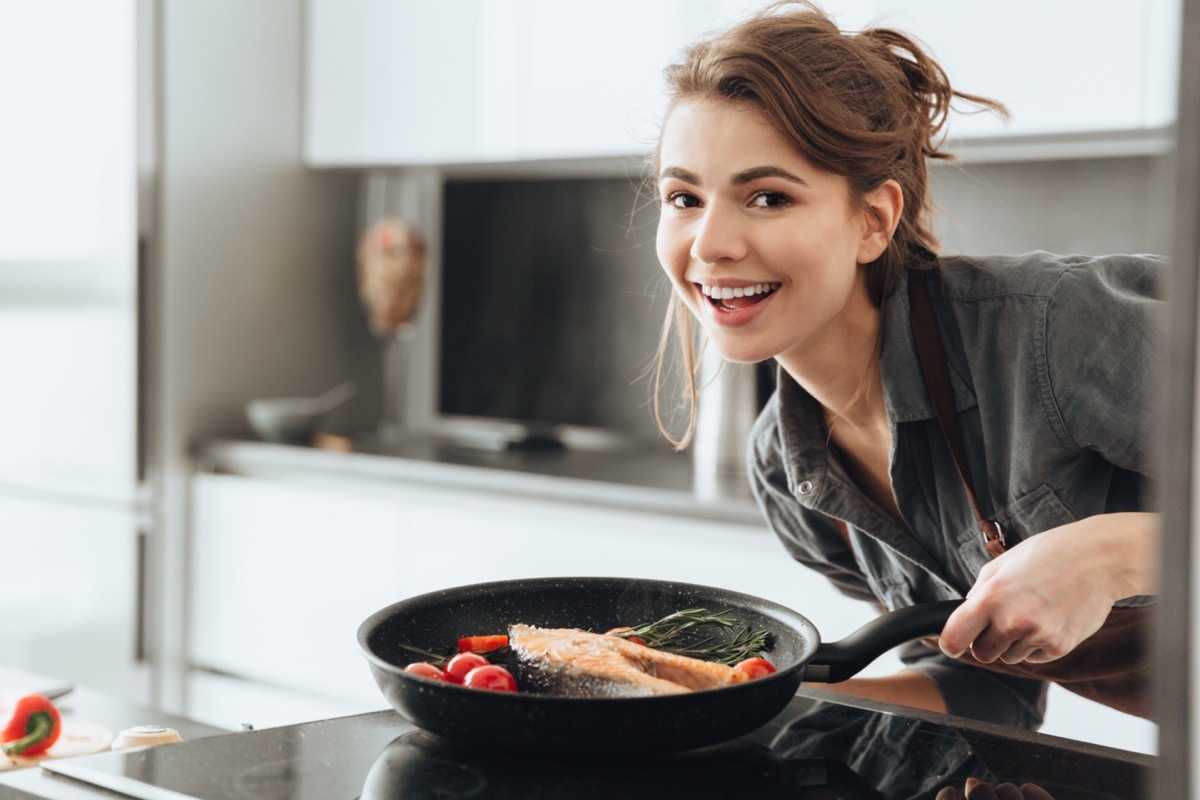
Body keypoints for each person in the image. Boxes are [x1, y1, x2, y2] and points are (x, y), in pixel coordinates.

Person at [650, 0, 1160, 731]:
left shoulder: (1049, 329)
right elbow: (989, 695)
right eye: (683, 197)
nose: (709, 244)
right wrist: (737, 714)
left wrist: (1116, 552)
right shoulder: (791, 475)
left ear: (873, 220)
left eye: (767, 197)